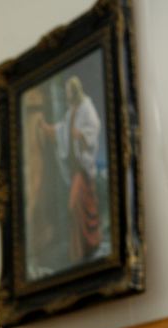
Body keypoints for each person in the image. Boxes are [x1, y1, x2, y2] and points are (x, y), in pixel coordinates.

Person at [38, 75, 102, 263]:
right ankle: (80, 251)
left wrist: (81, 135)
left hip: (83, 168)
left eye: (69, 92)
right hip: (76, 169)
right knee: (78, 207)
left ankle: (87, 246)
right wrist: (46, 128)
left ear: (75, 91)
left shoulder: (86, 108)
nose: (67, 95)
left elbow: (94, 128)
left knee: (76, 205)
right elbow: (62, 130)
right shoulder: (72, 111)